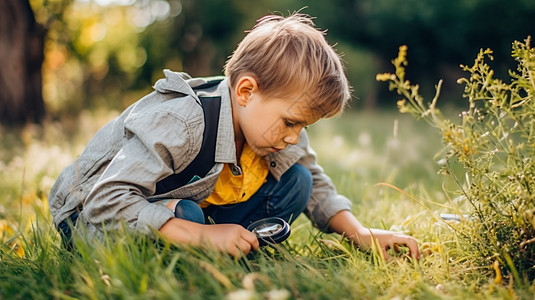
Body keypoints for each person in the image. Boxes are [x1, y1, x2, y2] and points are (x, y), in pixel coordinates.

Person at [48, 12, 420, 260]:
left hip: (180, 210)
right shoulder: (184, 122)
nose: (295, 137)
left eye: (304, 127)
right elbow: (106, 200)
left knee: (298, 180)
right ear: (245, 91)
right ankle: (200, 242)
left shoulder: (269, 129)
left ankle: (218, 245)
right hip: (92, 218)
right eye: (291, 122)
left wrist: (361, 233)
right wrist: (202, 236)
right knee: (189, 216)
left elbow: (317, 185)